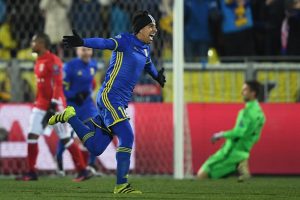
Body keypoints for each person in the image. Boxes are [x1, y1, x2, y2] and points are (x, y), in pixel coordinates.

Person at [48, 11, 166, 193]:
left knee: (95, 147)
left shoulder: (145, 48)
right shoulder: (125, 41)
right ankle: (121, 185)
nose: (155, 30)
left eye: (155, 26)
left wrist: (158, 77)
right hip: (110, 97)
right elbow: (104, 43)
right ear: (141, 28)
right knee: (127, 135)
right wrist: (83, 42)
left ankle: (70, 116)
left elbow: (148, 64)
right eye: (151, 26)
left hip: (119, 101)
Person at [17, 33, 90, 182]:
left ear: (42, 44)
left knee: (65, 139)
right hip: (40, 105)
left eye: (34, 41)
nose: (31, 44)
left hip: (55, 106)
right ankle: (31, 172)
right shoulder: (38, 60)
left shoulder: (53, 61)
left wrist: (54, 103)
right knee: (32, 135)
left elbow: (58, 84)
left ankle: (82, 170)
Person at [197, 80, 266, 181]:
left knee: (202, 174)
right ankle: (240, 164)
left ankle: (238, 165)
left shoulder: (246, 112)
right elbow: (256, 137)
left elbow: (239, 132)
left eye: (245, 90)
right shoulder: (261, 115)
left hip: (231, 152)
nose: (242, 92)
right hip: (244, 151)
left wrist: (220, 134)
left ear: (253, 93)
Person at [56, 46, 99, 176]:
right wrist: (73, 95)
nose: (86, 52)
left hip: (87, 105)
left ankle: (91, 165)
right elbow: (61, 87)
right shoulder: (69, 66)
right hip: (72, 105)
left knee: (97, 130)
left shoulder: (94, 65)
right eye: (83, 50)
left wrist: (88, 93)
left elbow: (91, 83)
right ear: (77, 51)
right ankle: (59, 160)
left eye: (88, 50)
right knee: (67, 135)